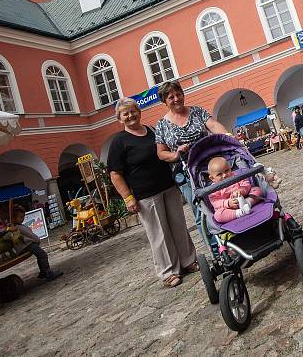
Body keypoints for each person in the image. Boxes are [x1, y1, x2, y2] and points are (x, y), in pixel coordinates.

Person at [112, 97, 198, 287]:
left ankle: (188, 261)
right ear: (120, 119)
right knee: (158, 233)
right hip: (145, 195)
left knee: (178, 226)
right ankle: (168, 271)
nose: (130, 115)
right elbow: (115, 174)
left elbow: (166, 153)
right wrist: (128, 198)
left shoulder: (152, 131)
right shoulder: (119, 141)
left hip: (168, 186)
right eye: (125, 113)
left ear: (139, 112)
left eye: (133, 111)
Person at [154, 81, 228, 241]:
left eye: (178, 94)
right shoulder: (161, 125)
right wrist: (175, 154)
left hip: (209, 167)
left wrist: (227, 136)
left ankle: (232, 238)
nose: (176, 99)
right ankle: (217, 252)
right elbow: (161, 153)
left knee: (223, 201)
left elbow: (213, 125)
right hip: (185, 173)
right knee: (201, 211)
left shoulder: (197, 111)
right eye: (170, 97)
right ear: (164, 101)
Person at [11, 205, 63, 281]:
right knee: (42, 254)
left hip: (23, 246)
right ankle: (48, 273)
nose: (23, 219)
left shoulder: (15, 227)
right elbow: (31, 236)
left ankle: (43, 272)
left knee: (40, 255)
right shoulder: (19, 227)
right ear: (14, 218)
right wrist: (37, 240)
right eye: (21, 217)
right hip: (27, 245)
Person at [206, 157, 263, 223]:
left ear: (230, 168)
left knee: (257, 190)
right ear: (212, 178)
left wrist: (241, 190)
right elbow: (215, 202)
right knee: (218, 216)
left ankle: (248, 203)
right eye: (219, 174)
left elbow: (246, 184)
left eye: (226, 170)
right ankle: (240, 213)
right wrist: (228, 203)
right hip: (229, 209)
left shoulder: (236, 176)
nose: (224, 175)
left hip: (245, 199)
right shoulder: (213, 189)